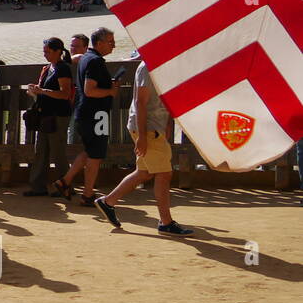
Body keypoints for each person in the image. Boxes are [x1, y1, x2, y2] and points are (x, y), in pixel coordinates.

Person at [92, 61, 194, 235]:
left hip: (153, 126)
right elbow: (140, 102)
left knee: (145, 172)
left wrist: (167, 122)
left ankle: (108, 202)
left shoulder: (163, 64)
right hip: (148, 128)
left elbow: (166, 95)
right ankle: (166, 222)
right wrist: (142, 136)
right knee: (164, 173)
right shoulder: (147, 66)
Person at [54, 27, 118, 206]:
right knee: (96, 154)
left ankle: (65, 181)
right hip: (96, 114)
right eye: (110, 41)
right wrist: (111, 91)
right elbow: (91, 91)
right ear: (99, 43)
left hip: (86, 112)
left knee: (89, 151)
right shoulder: (95, 61)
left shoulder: (86, 58)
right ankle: (87, 194)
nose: (113, 45)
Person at [25, 38, 74, 196]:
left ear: (58, 51)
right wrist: (36, 91)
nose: (45, 54)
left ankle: (64, 185)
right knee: (41, 150)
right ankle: (38, 186)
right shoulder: (47, 68)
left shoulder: (62, 68)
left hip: (58, 115)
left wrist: (42, 91)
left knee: (57, 152)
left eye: (47, 51)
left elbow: (65, 94)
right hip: (45, 114)